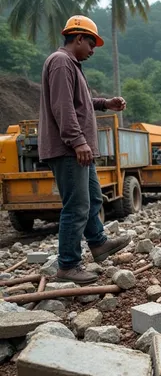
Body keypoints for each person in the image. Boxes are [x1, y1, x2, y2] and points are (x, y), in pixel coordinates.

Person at [38, 15, 131, 285]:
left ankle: (99, 243)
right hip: (68, 149)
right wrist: (78, 141)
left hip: (77, 148)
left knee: (91, 199)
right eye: (91, 43)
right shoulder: (60, 62)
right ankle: (68, 264)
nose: (93, 50)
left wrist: (105, 103)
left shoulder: (70, 65)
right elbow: (63, 107)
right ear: (78, 37)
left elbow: (79, 101)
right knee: (76, 205)